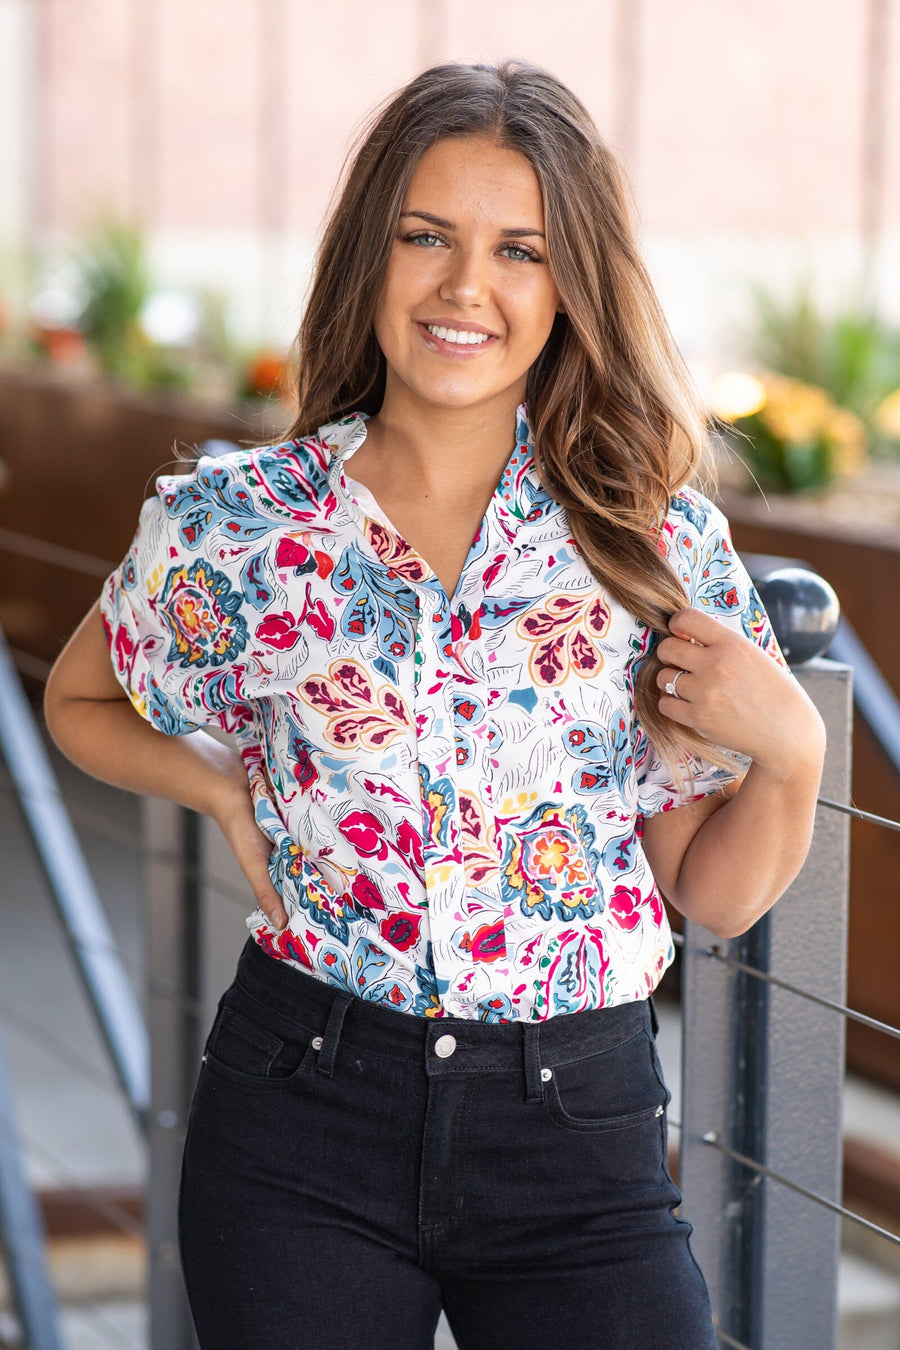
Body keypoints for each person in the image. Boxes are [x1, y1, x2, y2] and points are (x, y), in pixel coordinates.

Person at [44, 60, 825, 1350]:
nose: (467, 288)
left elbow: (713, 890)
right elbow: (80, 696)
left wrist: (790, 754)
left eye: (520, 249)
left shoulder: (648, 547)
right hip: (302, 1112)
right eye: (427, 237)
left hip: (578, 1133)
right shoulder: (234, 527)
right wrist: (219, 785)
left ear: (571, 284)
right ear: (372, 255)